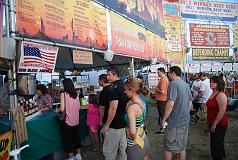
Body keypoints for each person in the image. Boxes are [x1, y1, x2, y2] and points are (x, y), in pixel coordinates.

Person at [161, 66, 193, 160]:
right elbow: (190, 103)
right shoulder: (185, 84)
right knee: (182, 148)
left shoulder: (173, 84)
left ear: (173, 73)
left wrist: (163, 120)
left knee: (168, 147)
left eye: (169, 73)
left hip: (174, 123)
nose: (168, 75)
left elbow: (170, 104)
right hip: (184, 121)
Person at [101, 67, 128, 160]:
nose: (107, 77)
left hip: (114, 124)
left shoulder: (113, 88)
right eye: (107, 75)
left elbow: (113, 108)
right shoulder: (124, 85)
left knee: (109, 151)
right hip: (123, 121)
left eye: (109, 75)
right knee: (123, 148)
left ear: (116, 75)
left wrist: (106, 125)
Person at [124, 77, 150, 160]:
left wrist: (127, 131)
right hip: (144, 138)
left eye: (126, 89)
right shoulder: (142, 101)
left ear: (132, 90)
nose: (125, 92)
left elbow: (132, 132)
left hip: (135, 143)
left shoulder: (132, 107)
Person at [206, 76, 228, 160]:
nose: (210, 83)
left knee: (215, 147)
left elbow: (222, 111)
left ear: (218, 84)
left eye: (213, 82)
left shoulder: (221, 95)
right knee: (217, 144)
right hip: (212, 122)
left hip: (220, 124)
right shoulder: (213, 93)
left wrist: (214, 124)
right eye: (210, 82)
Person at [59, 78, 82, 160]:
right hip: (76, 120)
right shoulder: (76, 94)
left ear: (65, 85)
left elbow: (62, 109)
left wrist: (58, 109)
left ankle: (71, 157)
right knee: (76, 137)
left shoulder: (63, 94)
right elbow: (79, 107)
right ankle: (79, 155)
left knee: (68, 139)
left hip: (67, 121)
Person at [155, 67, 169, 134]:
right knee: (163, 114)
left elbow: (162, 91)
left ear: (162, 72)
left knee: (163, 115)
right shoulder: (164, 79)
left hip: (162, 100)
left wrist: (155, 88)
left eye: (158, 72)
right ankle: (164, 128)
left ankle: (163, 129)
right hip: (163, 99)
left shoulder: (163, 80)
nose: (157, 73)